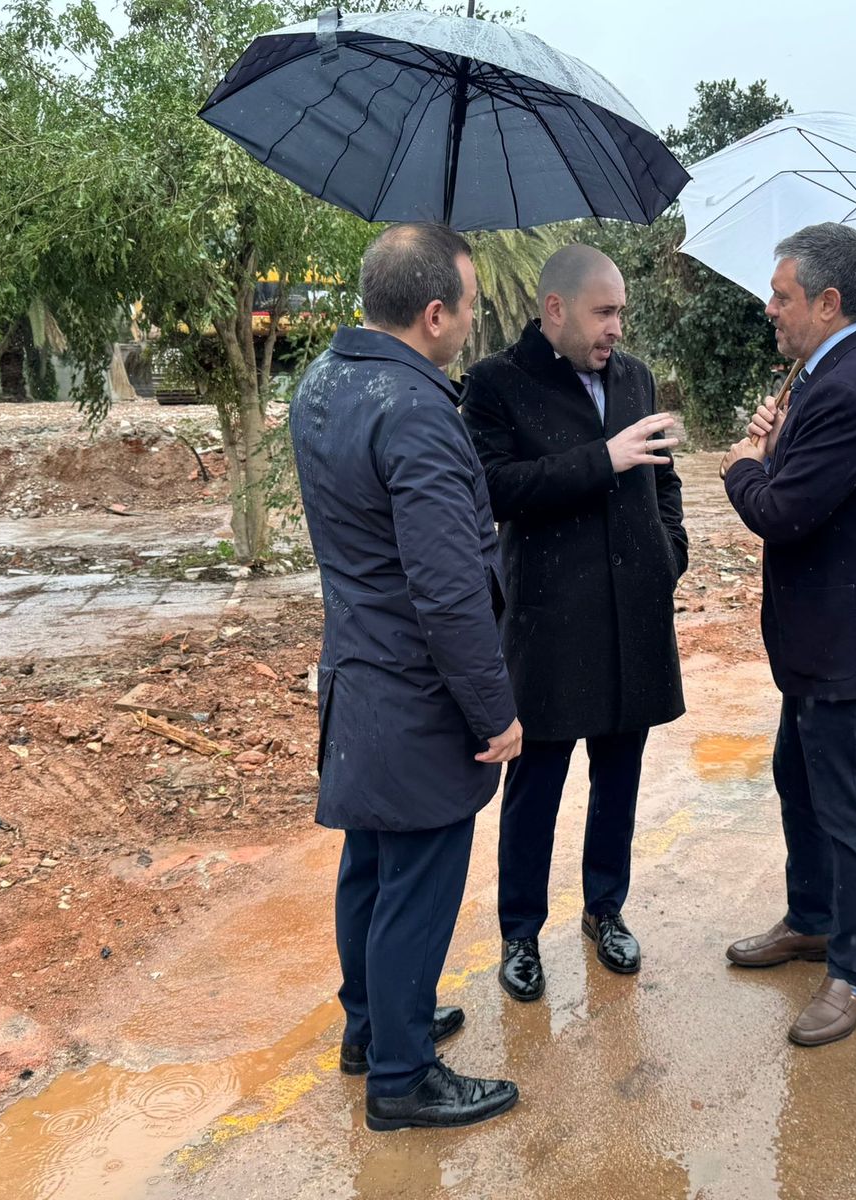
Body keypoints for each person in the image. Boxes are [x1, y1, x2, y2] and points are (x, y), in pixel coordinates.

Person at [291, 223, 523, 1129]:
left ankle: (373, 1025)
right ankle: (403, 1075)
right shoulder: (417, 410)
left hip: (358, 675)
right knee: (418, 884)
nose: (470, 322)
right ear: (434, 313)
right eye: (467, 306)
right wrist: (494, 711)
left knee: (371, 865)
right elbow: (448, 587)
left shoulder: (325, 380)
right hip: (417, 691)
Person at [717, 222, 856, 1047]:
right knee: (799, 779)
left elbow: (782, 512)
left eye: (782, 296)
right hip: (820, 640)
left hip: (853, 643)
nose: (770, 309)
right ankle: (810, 921)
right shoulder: (828, 377)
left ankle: (851, 973)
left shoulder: (853, 387)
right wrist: (778, 441)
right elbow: (805, 480)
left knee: (847, 811)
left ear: (828, 301)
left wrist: (744, 464)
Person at [462, 244, 687, 1002]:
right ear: (554, 309)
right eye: (604, 313)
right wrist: (602, 458)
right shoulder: (496, 383)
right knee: (537, 788)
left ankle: (605, 909)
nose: (617, 328)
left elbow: (663, 477)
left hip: (635, 617)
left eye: (621, 312)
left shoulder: (634, 377)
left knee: (619, 779)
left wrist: (670, 552)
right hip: (551, 625)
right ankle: (520, 933)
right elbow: (493, 488)